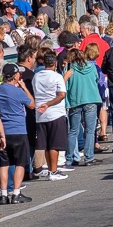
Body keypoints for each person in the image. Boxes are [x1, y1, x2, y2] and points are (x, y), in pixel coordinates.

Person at [0, 63, 36, 201]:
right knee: (20, 163)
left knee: (4, 164)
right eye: (19, 74)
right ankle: (16, 192)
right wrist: (24, 88)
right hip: (18, 130)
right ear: (15, 76)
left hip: (3, 132)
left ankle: (3, 193)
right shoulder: (17, 91)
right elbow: (31, 104)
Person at [32, 48, 70, 180]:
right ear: (54, 64)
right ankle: (53, 171)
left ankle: (51, 169)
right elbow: (61, 95)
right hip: (55, 113)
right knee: (54, 144)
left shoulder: (36, 76)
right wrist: (49, 103)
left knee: (47, 144)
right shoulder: (57, 76)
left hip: (41, 114)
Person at [65, 47, 101, 167]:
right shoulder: (92, 67)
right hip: (91, 99)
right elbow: (96, 79)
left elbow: (65, 85)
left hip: (75, 100)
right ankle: (89, 157)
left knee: (73, 131)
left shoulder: (69, 68)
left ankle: (70, 158)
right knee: (90, 130)